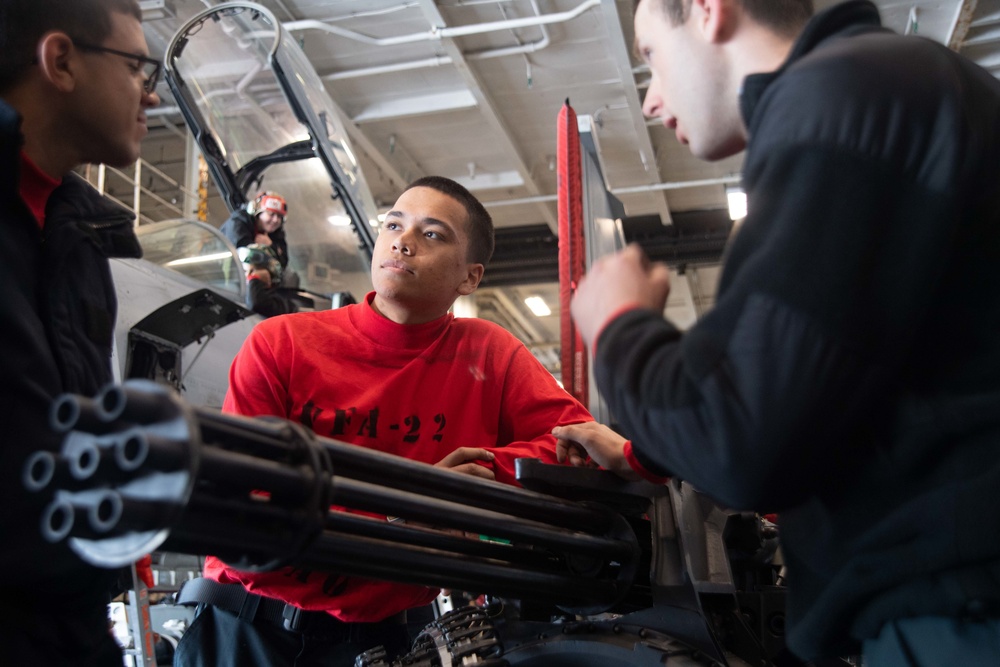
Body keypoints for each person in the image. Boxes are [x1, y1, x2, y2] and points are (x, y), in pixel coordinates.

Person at [552, 0, 1000, 664]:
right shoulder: (902, 85)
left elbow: (743, 439)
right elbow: (851, 370)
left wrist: (618, 327)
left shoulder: (842, 92)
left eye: (650, 55)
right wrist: (645, 452)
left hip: (956, 608)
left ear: (709, 11)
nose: (649, 102)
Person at [174, 175, 603, 667]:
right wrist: (412, 509)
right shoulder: (282, 343)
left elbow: (576, 448)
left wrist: (468, 491)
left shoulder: (490, 354)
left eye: (432, 234)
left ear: (469, 278)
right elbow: (248, 513)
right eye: (394, 224)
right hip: (251, 631)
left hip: (397, 641)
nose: (403, 241)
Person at [0, 0, 160, 663]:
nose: (149, 95)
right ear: (61, 60)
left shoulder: (89, 230)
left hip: (65, 618)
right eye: (134, 67)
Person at [221, 190, 298, 316]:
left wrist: (270, 246)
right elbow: (244, 254)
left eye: (279, 217)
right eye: (271, 214)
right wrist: (269, 254)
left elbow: (283, 262)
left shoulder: (276, 235)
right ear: (256, 211)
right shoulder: (238, 222)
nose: (275, 220)